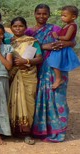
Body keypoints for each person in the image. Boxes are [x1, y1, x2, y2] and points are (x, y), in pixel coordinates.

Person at [28, 4, 76, 143]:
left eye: (44, 14)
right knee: (41, 98)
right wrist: (44, 46)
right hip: (39, 68)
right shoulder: (30, 32)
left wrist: (66, 44)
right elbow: (26, 48)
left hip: (56, 68)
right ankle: (42, 130)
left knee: (57, 98)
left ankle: (58, 131)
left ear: (49, 15)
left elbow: (71, 41)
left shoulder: (55, 29)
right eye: (39, 13)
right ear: (34, 14)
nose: (41, 16)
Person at [8, 17, 43, 145]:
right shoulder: (8, 42)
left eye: (21, 26)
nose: (18, 28)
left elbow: (39, 58)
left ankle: (27, 133)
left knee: (28, 103)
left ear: (25, 27)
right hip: (13, 76)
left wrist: (26, 61)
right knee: (14, 101)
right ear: (11, 28)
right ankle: (15, 130)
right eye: (15, 26)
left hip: (28, 76)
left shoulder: (32, 42)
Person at [48, 5, 80, 89]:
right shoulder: (67, 25)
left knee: (55, 63)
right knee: (54, 63)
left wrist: (57, 37)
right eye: (62, 15)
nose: (62, 17)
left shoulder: (72, 26)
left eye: (65, 16)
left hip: (63, 48)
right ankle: (59, 78)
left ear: (73, 17)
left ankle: (59, 79)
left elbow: (67, 38)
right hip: (60, 47)